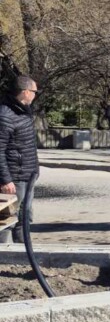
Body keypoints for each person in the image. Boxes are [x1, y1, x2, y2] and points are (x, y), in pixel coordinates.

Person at [0, 75, 40, 244]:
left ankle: (23, 253)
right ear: (25, 92)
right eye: (34, 92)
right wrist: (6, 179)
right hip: (14, 177)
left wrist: (35, 170)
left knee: (25, 216)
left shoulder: (23, 111)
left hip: (27, 174)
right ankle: (4, 255)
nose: (35, 95)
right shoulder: (5, 114)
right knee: (8, 218)